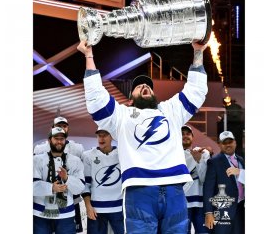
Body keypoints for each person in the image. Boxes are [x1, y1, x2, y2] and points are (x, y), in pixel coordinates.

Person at [77, 39, 208, 233]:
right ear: (130, 99)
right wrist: (89, 56)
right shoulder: (122, 116)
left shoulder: (170, 110)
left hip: (174, 189)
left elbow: (196, 91)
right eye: (139, 87)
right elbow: (97, 99)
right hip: (139, 191)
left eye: (148, 86)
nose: (145, 87)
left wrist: (198, 52)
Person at [34, 116, 85, 233]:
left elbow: (80, 187)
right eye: (56, 138)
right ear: (49, 140)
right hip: (41, 213)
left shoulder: (75, 160)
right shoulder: (36, 159)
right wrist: (51, 187)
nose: (59, 141)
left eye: (61, 139)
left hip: (66, 215)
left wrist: (67, 178)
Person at [82, 128, 124, 234]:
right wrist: (88, 206)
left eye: (105, 135)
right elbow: (86, 184)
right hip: (96, 210)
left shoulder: (122, 153)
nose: (101, 138)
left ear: (112, 136)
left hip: (119, 208)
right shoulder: (88, 155)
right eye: (99, 135)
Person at [203, 131, 245, 234]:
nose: (228, 145)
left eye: (230, 142)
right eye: (224, 142)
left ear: (235, 142)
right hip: (221, 210)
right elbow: (208, 188)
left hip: (240, 209)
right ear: (220, 145)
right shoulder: (214, 162)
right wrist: (208, 212)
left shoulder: (241, 160)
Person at [181, 125, 210, 234]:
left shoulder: (202, 153)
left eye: (188, 134)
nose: (185, 136)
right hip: (182, 203)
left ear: (193, 137)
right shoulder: (173, 155)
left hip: (200, 203)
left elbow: (203, 179)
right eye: (182, 134)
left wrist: (199, 161)